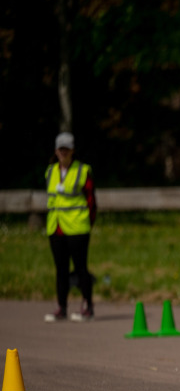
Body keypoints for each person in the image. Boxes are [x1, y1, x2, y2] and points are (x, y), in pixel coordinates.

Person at [44, 132, 97, 322]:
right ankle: (61, 307)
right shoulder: (51, 171)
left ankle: (87, 305)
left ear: (72, 150)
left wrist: (88, 223)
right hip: (56, 226)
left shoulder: (82, 170)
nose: (63, 152)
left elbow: (91, 200)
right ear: (56, 150)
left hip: (77, 227)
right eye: (60, 149)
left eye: (66, 149)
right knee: (61, 269)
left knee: (81, 267)